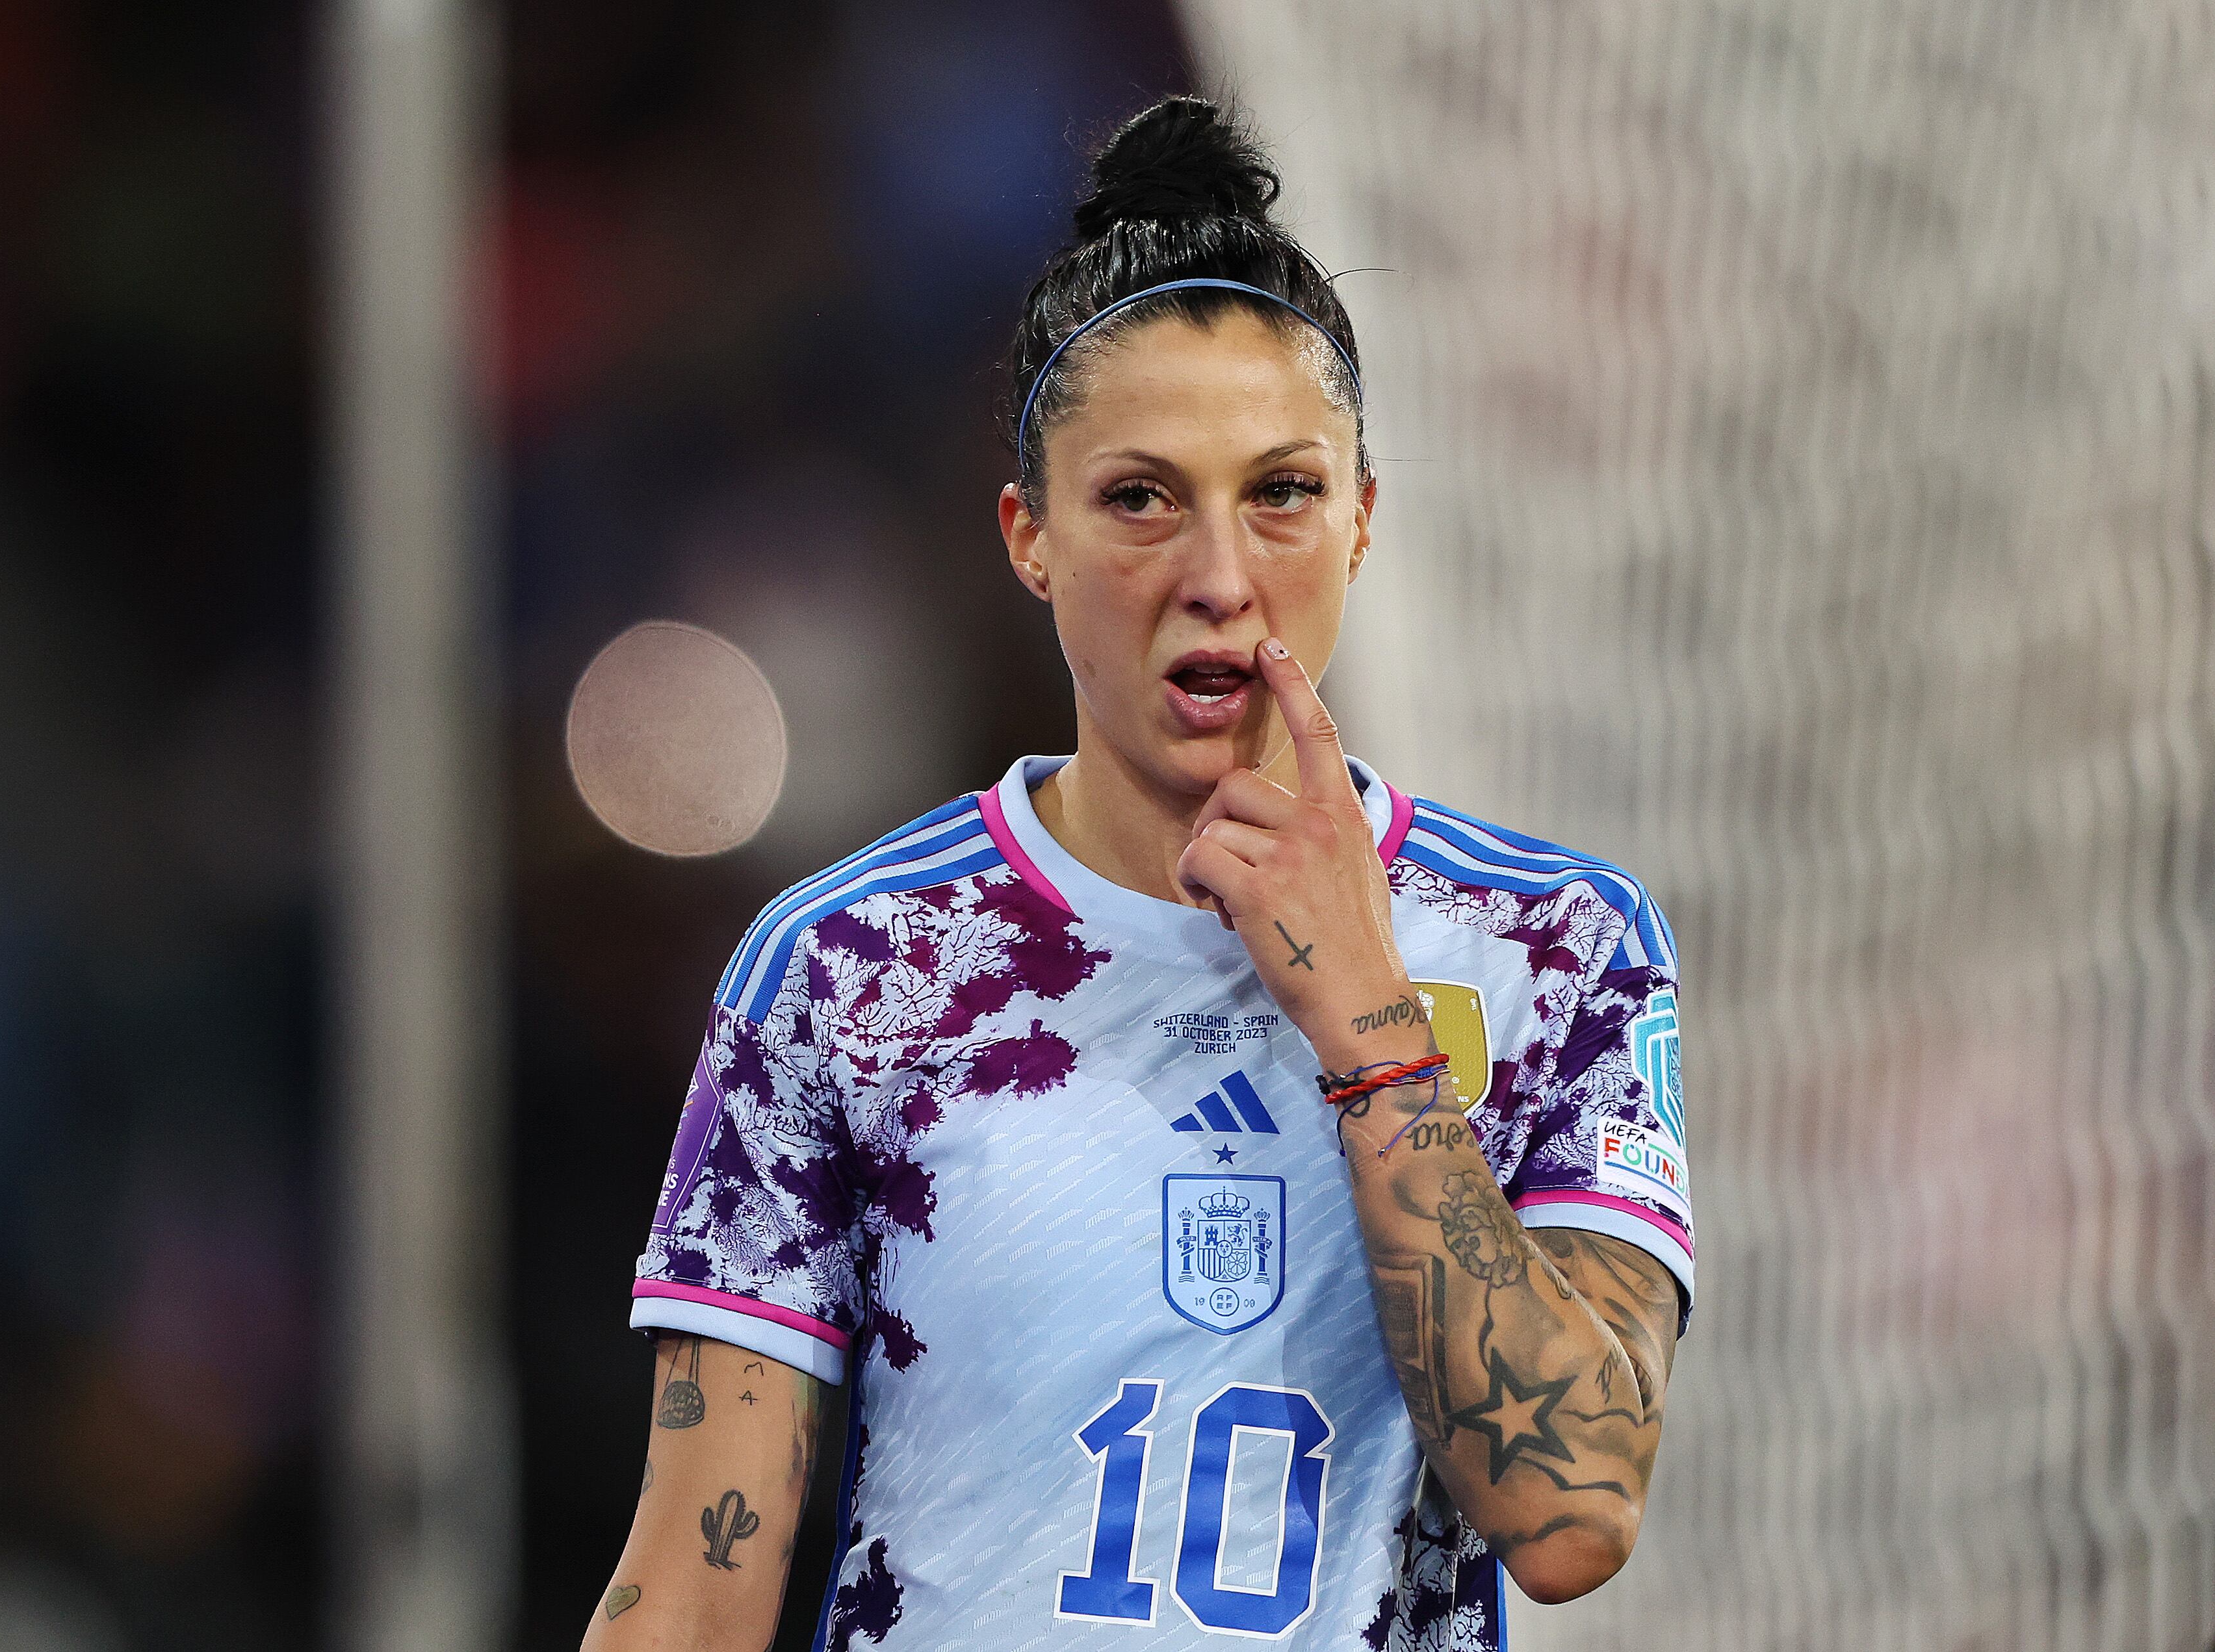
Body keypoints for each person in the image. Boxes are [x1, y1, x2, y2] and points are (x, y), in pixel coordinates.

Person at [582, 96, 1694, 1652]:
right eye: (1139, 498)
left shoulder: (1552, 948)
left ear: (1364, 519)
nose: (1221, 578)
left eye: (1284, 492)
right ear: (1028, 536)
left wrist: (1368, 1013)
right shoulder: (847, 970)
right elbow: (694, 1588)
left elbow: (1574, 1511)